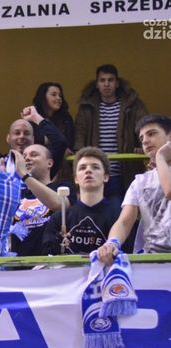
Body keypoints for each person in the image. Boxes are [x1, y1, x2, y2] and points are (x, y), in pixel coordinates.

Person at [0, 70, 67, 179]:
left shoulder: (42, 167)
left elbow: (60, 143)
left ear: (33, 139)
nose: (21, 136)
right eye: (17, 133)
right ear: (8, 138)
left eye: (26, 133)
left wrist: (36, 118)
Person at [97, 115, 171, 263]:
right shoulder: (140, 181)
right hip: (153, 261)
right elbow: (124, 222)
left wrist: (160, 158)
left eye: (151, 134)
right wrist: (112, 242)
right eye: (141, 138)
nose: (145, 141)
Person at [74, 64, 149, 209]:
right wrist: (78, 153)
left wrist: (142, 146)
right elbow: (80, 133)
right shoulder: (86, 107)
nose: (106, 84)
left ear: (117, 83)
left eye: (110, 80)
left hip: (123, 173)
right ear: (97, 84)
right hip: (95, 172)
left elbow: (143, 126)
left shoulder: (133, 105)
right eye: (102, 80)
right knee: (92, 212)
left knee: (119, 210)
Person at [43, 147, 132, 255]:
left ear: (106, 177)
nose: (88, 170)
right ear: (76, 179)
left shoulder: (120, 218)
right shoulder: (60, 218)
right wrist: (57, 243)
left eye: (95, 167)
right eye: (82, 168)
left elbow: (128, 253)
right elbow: (47, 254)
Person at [11, 143, 76, 256]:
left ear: (49, 163)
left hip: (50, 261)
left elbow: (60, 205)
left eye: (34, 155)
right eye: (24, 156)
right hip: (18, 262)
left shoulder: (62, 186)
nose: (27, 158)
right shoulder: (17, 193)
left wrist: (25, 175)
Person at [32, 82, 75, 150]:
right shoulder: (33, 117)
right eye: (54, 94)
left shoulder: (66, 119)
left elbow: (69, 142)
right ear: (43, 97)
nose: (58, 98)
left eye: (60, 95)